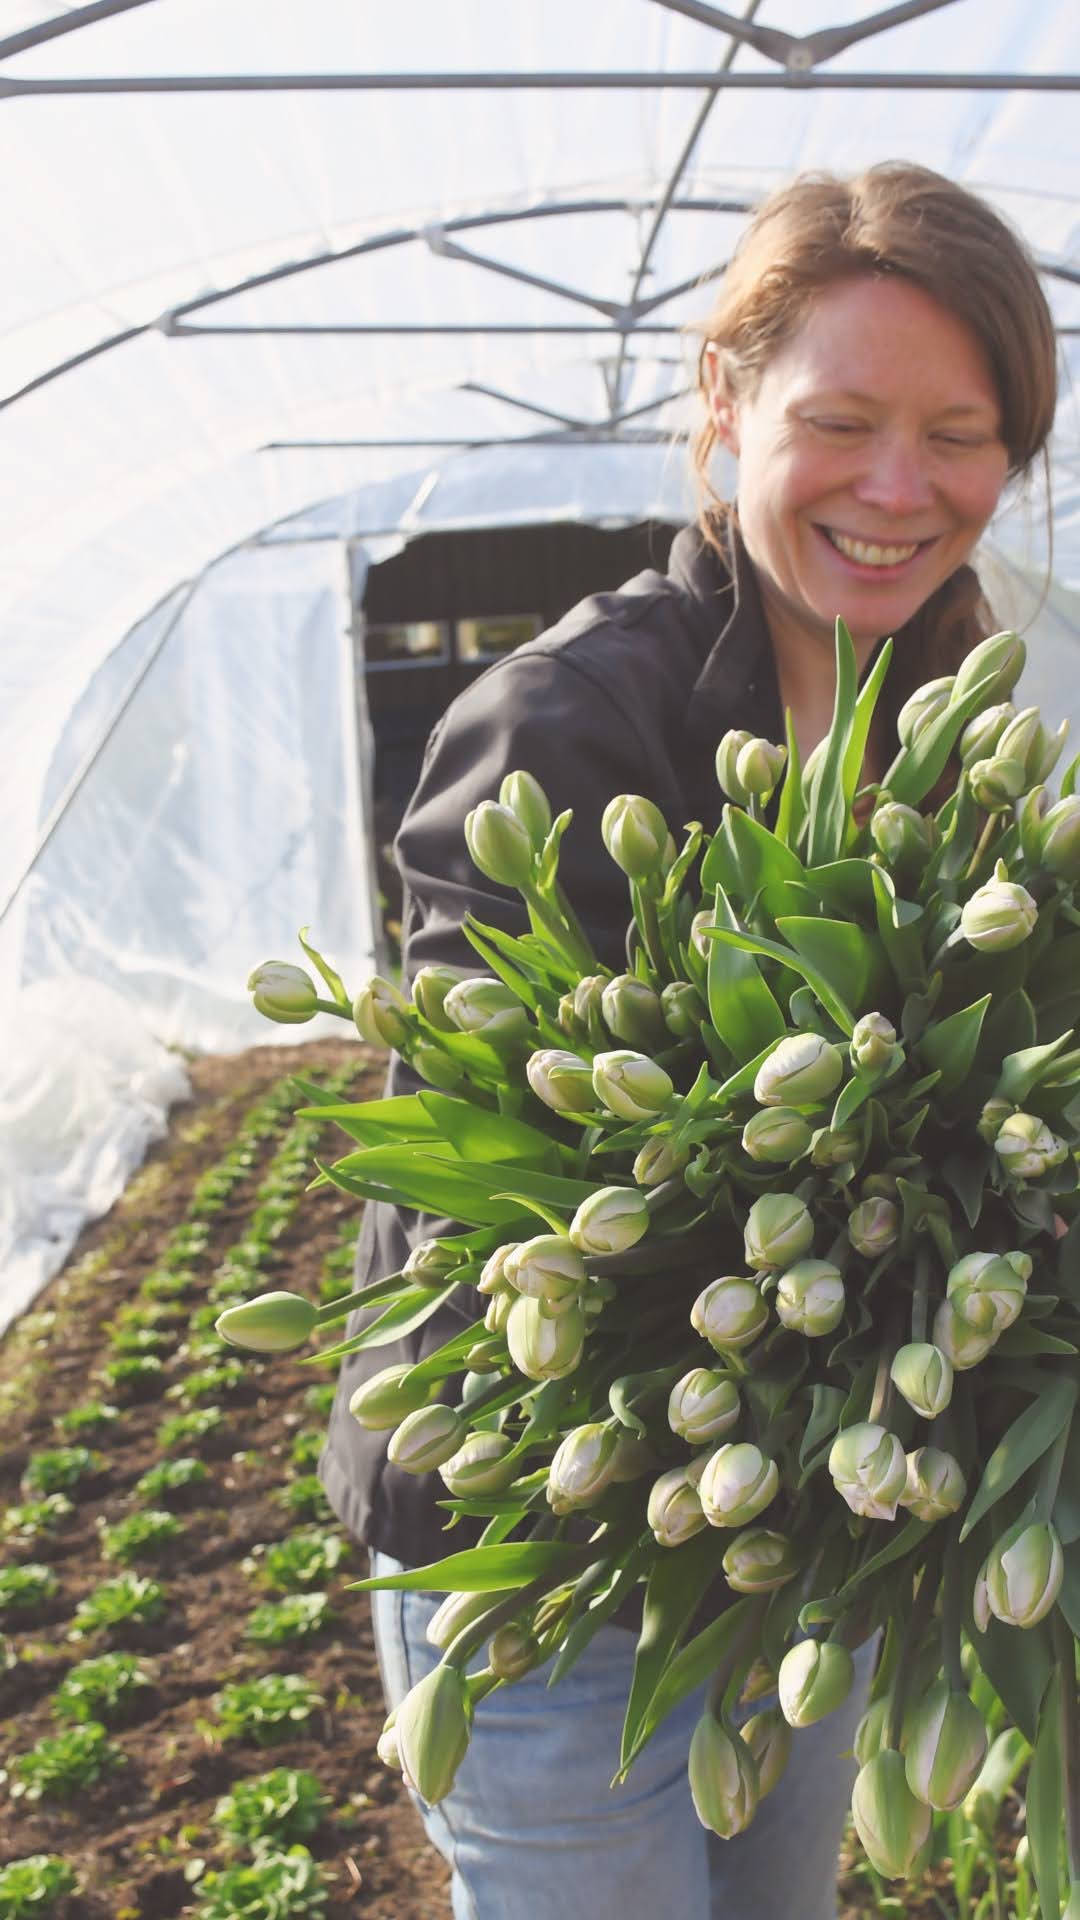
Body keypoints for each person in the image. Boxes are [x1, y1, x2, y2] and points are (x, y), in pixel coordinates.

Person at [320, 162, 1058, 1919]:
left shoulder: (954, 723)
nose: (902, 489)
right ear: (724, 406)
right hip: (548, 1559)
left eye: (961, 434)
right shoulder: (565, 729)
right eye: (846, 420)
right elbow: (510, 1221)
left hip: (806, 1533)